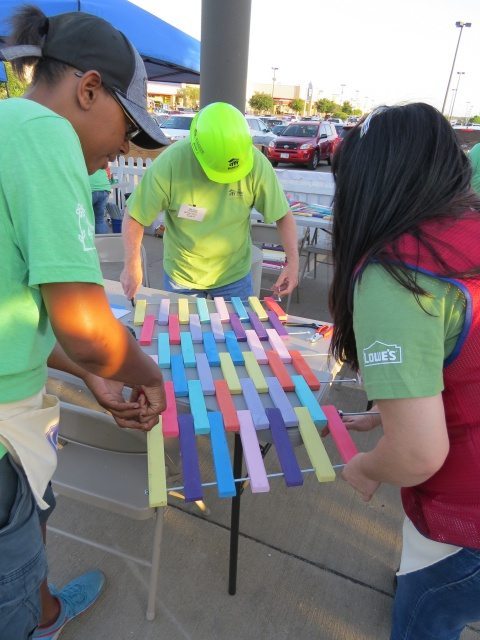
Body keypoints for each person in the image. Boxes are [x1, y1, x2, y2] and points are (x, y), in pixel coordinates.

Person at [0, 6, 170, 639]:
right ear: (88, 88)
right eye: (124, 133)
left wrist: (91, 375)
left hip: (18, 417)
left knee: (34, 524)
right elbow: (88, 330)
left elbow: (18, 319)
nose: (116, 158)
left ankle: (45, 614)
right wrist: (145, 373)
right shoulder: (44, 135)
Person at [328, 102, 480, 639]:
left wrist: (367, 469)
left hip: (466, 520)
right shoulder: (469, 231)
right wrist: (394, 412)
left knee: (422, 623)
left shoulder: (398, 272)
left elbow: (419, 453)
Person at [120, 101, 299, 301]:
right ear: (197, 149)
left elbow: (282, 215)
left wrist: (293, 262)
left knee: (238, 330)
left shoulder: (256, 164)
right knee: (181, 330)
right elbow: (135, 214)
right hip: (183, 277)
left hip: (234, 277)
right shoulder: (171, 163)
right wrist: (132, 262)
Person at [89, 168, 112, 233]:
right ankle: (102, 241)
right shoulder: (100, 158)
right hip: (104, 188)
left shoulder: (83, 157)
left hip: (90, 188)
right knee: (99, 219)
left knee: (84, 217)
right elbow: (109, 175)